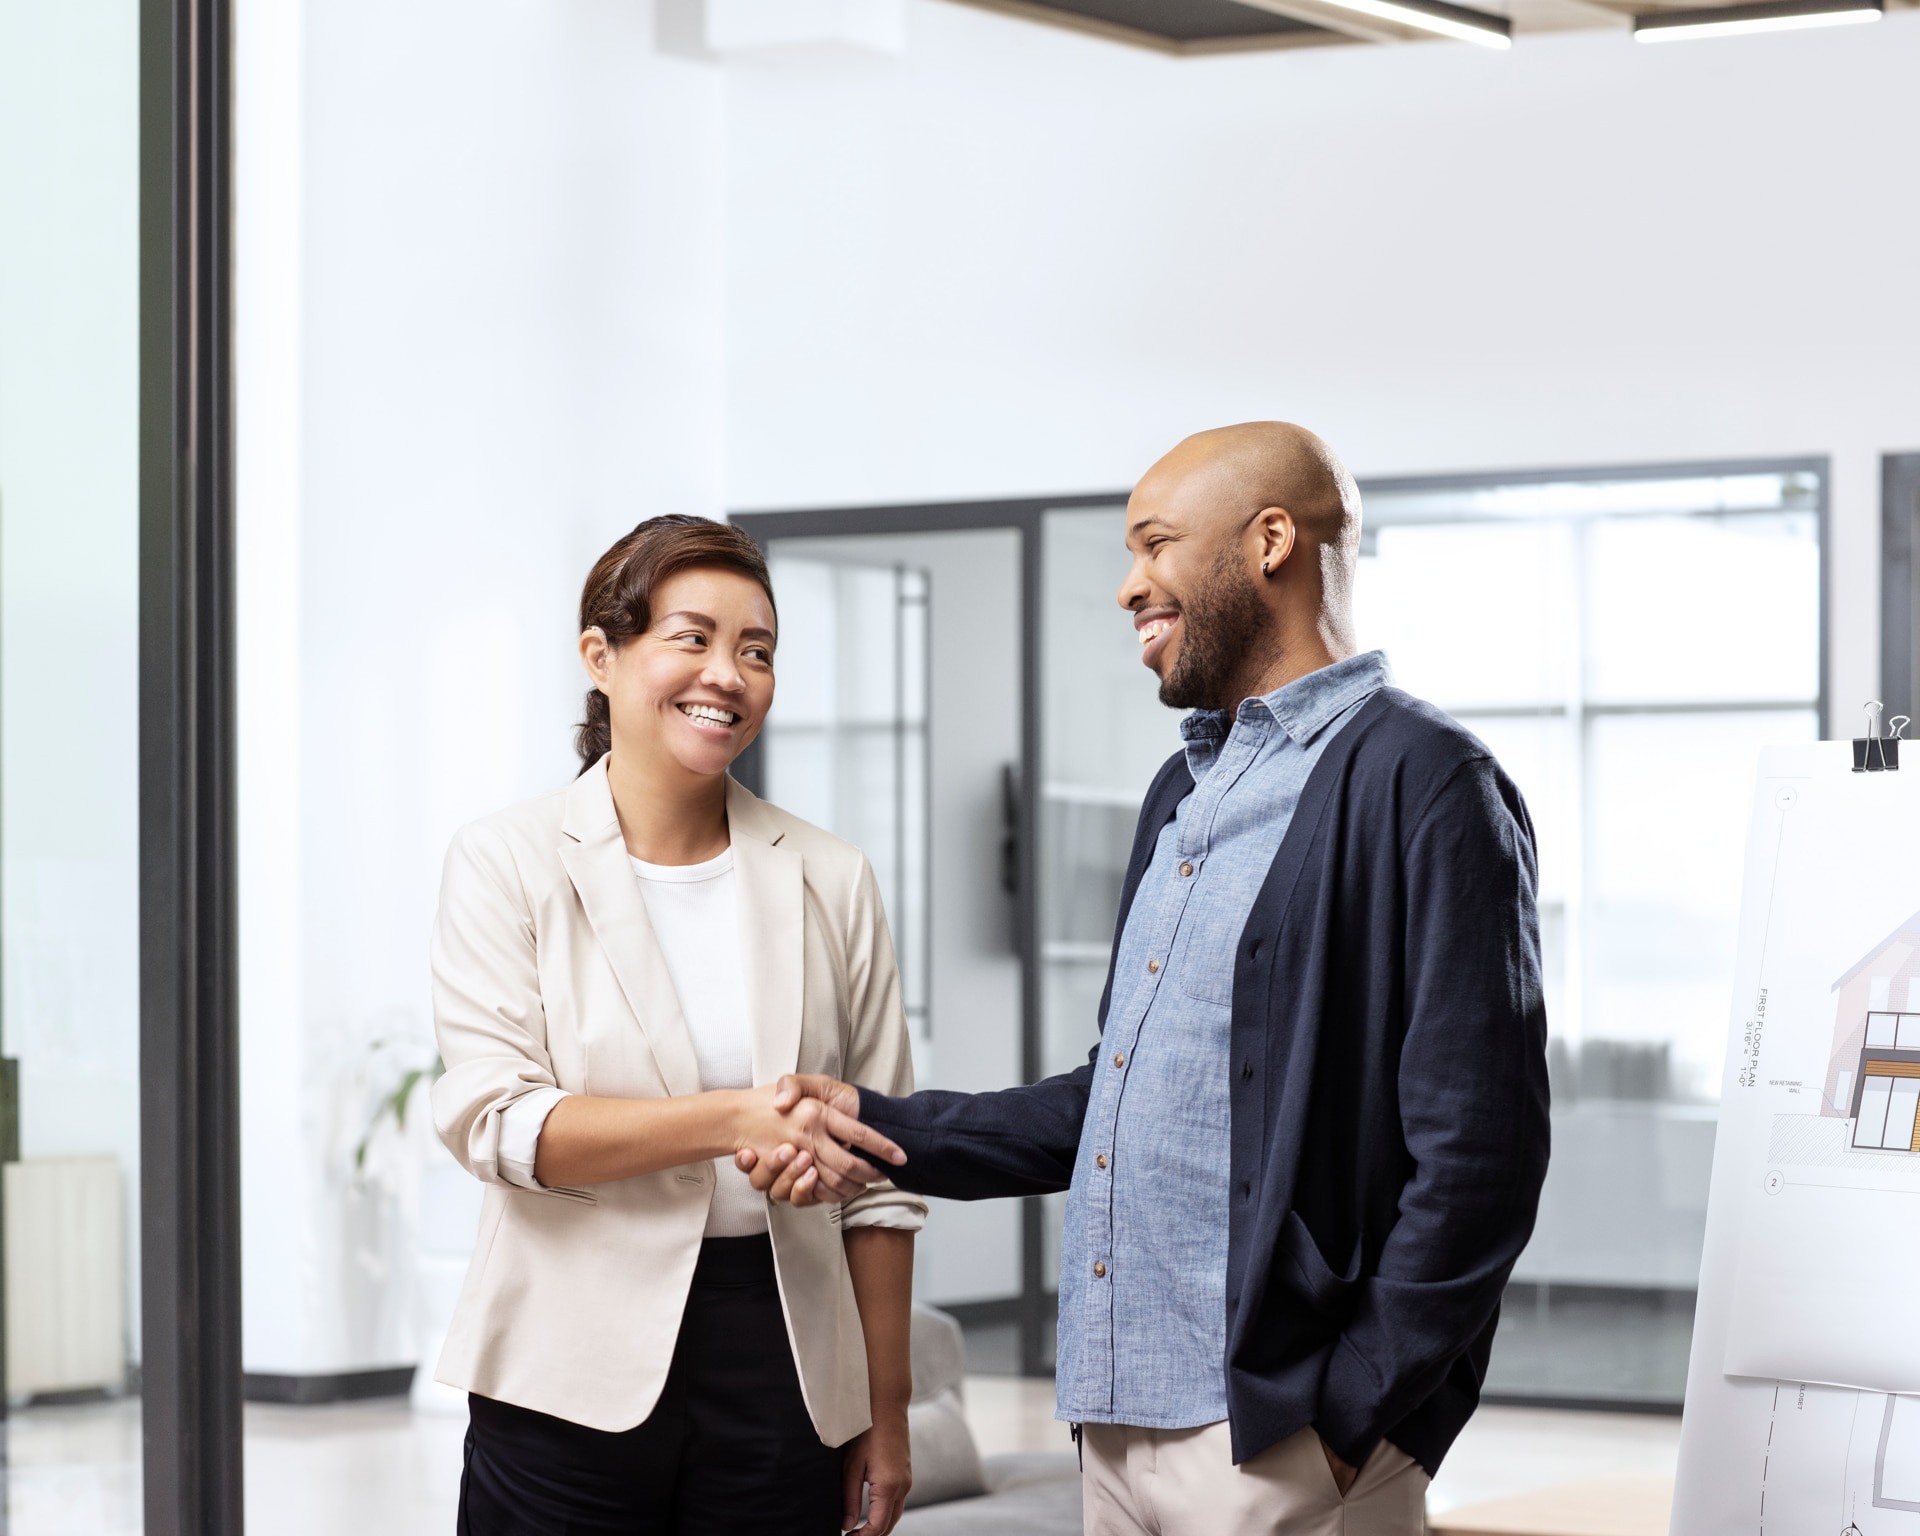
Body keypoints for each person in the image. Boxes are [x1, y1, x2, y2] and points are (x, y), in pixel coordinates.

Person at [745, 424, 1552, 1536]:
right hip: (1115, 1426)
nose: (1130, 586)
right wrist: (878, 1126)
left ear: (1271, 541)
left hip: (1278, 1439)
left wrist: (1355, 1415)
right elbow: (1115, 1102)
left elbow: (1482, 1158)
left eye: (1155, 544)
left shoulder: (1427, 781)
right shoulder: (1181, 792)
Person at [429, 515, 927, 1536]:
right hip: (563, 1361)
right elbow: (500, 1125)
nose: (730, 674)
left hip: (785, 1360)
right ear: (600, 658)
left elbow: (881, 1177)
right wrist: (735, 1119)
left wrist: (885, 1410)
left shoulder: (832, 876)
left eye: (757, 650)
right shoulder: (505, 860)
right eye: (691, 638)